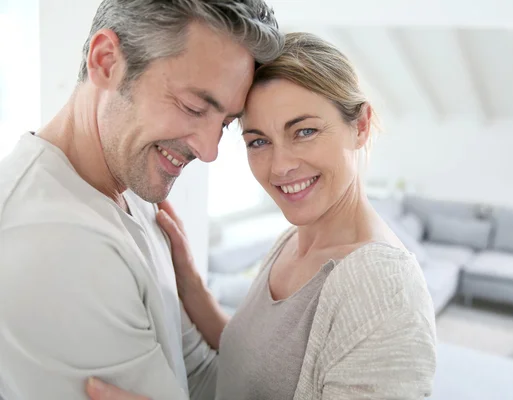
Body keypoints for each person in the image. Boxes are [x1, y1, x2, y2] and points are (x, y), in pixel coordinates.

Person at [89, 32, 437, 400]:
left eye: (304, 131)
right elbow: (253, 360)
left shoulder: (383, 289)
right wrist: (189, 281)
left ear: (361, 126)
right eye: (258, 141)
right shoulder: (294, 240)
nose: (281, 166)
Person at [0, 1, 283, 399]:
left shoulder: (136, 190)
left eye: (224, 123)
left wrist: (195, 292)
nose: (209, 150)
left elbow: (201, 375)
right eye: (193, 107)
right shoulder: (58, 242)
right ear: (106, 61)